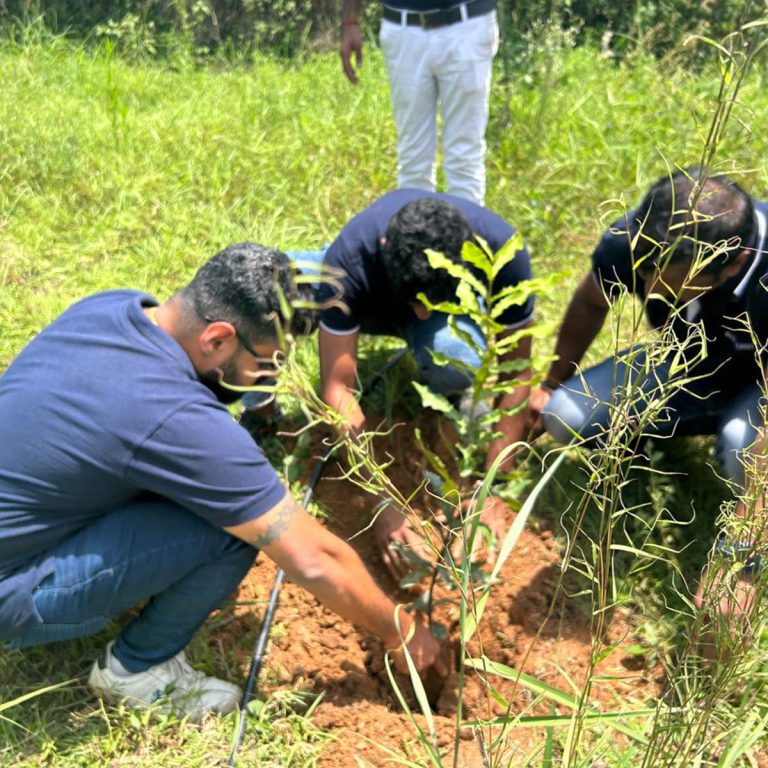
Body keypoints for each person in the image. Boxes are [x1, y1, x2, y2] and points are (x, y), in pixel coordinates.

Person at [0, 243, 445, 720]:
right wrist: (399, 629)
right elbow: (314, 558)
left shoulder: (113, 307)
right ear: (217, 338)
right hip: (13, 588)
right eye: (267, 361)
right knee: (229, 531)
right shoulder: (173, 417)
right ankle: (135, 670)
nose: (270, 375)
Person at [531, 170, 768, 624]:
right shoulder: (645, 238)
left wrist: (741, 556)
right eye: (645, 274)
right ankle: (656, 440)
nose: (651, 291)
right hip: (689, 367)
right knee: (564, 414)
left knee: (743, 446)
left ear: (733, 265)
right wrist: (549, 384)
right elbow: (590, 302)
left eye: (675, 284)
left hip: (759, 387)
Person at [314, 191, 534, 580]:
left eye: (429, 303)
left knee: (454, 358)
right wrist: (383, 501)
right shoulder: (350, 261)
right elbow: (338, 390)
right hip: (372, 297)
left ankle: (446, 369)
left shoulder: (503, 252)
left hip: (451, 310)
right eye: (415, 302)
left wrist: (493, 488)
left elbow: (516, 371)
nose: (421, 313)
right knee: (277, 286)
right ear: (385, 247)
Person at [340, 0, 498, 206]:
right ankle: (416, 227)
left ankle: (465, 227)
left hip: (467, 25)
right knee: (413, 159)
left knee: (465, 158)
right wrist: (350, 21)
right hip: (403, 28)